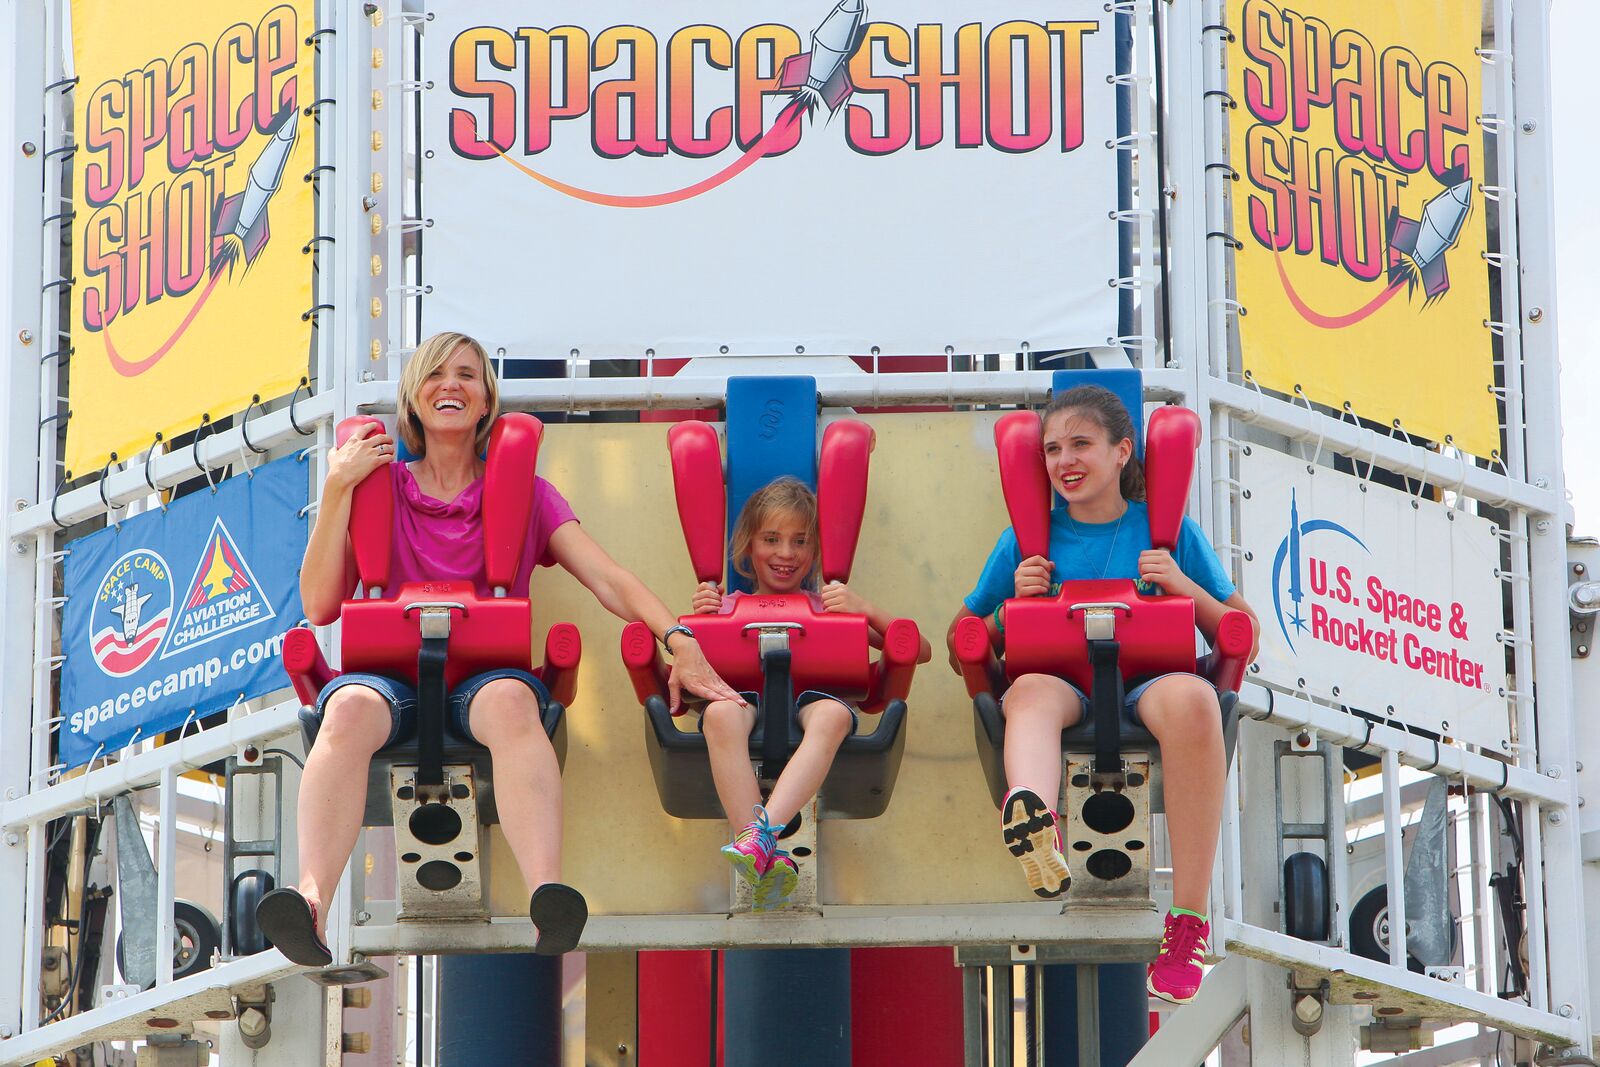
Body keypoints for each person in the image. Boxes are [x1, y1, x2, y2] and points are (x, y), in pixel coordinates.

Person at [257, 331, 743, 965]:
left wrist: (680, 641)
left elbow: (608, 578)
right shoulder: (378, 491)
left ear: (488, 400)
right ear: (413, 398)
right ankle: (312, 901)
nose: (451, 385)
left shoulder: (526, 495)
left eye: (467, 375)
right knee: (344, 708)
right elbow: (320, 604)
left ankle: (548, 894)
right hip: (388, 687)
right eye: (435, 375)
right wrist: (337, 492)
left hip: (486, 683)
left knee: (512, 702)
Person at [946, 385, 1258, 1005]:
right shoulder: (1025, 542)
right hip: (1062, 686)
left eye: (1081, 445)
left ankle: (1188, 922)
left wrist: (1181, 584)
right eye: (1053, 449)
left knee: (1196, 701)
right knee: (1028, 694)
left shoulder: (1168, 532)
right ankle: (1033, 817)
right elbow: (961, 642)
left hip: (1150, 686)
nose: (1065, 460)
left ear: (1122, 452)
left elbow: (1240, 627)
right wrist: (1011, 607)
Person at [691, 476, 931, 909]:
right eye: (771, 539)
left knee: (833, 716)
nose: (786, 553)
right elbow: (691, 669)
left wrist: (866, 610)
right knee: (719, 715)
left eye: (800, 541)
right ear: (748, 545)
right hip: (744, 701)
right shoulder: (728, 607)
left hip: (813, 701)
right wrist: (703, 619)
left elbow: (922, 649)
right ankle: (758, 844)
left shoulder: (829, 606)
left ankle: (760, 836)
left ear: (816, 550)